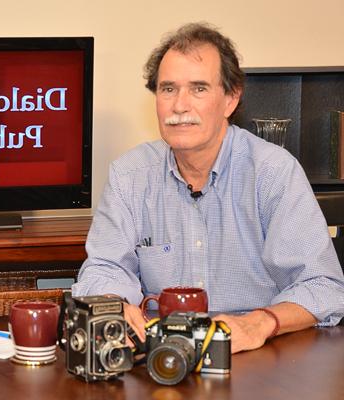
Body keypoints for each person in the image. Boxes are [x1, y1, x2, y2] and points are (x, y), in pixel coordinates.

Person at [72, 23, 344, 354]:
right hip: (163, 357)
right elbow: (104, 268)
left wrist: (260, 323)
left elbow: (324, 286)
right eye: (168, 89)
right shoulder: (130, 175)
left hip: (256, 357)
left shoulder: (274, 172)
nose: (179, 105)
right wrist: (112, 304)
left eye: (198, 89)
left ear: (230, 99)